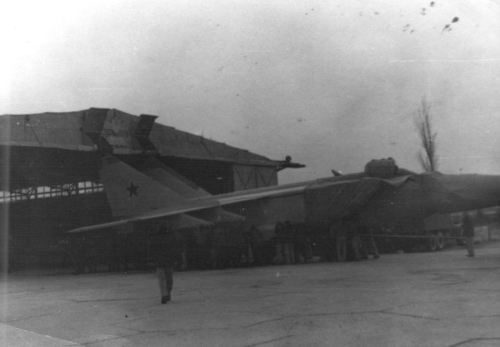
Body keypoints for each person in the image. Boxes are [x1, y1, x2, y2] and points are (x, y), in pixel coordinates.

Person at [149, 225, 176, 304]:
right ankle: (168, 293)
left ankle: (164, 294)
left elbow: (151, 250)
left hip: (159, 262)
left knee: (162, 279)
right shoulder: (170, 239)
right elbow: (174, 250)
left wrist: (154, 260)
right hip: (169, 262)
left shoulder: (154, 240)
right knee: (169, 279)